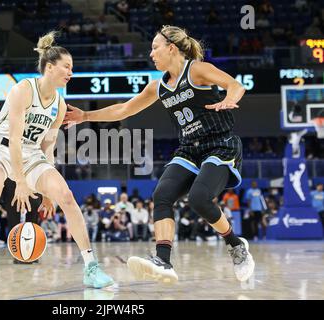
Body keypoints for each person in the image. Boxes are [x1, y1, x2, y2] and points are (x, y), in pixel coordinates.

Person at [64, 25, 255, 283]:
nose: (151, 54)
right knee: (161, 195)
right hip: (189, 149)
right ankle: (163, 261)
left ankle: (235, 245)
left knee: (199, 199)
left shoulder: (196, 70)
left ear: (171, 48)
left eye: (155, 48)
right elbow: (124, 110)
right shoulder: (158, 87)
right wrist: (85, 116)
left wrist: (229, 98)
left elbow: (234, 84)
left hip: (220, 144)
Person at [0, 31, 113, 289]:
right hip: (0, 148)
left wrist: (47, 193)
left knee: (67, 196)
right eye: (67, 67)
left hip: (32, 154)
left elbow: (48, 146)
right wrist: (20, 182)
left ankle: (91, 267)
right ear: (50, 67)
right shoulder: (23, 89)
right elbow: (14, 139)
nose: (71, 72)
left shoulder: (60, 105)